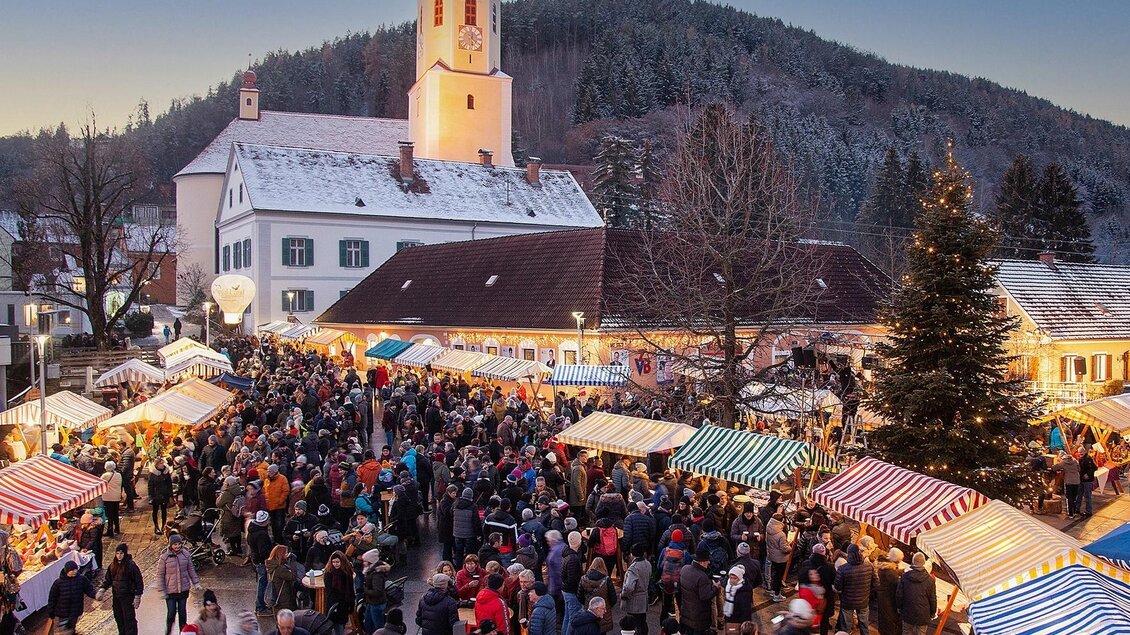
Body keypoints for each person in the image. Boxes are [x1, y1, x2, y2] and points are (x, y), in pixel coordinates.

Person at [158, 534, 202, 635]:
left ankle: (183, 632)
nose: (177, 546)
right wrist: (162, 590)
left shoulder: (186, 554)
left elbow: (191, 569)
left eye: (179, 544)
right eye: (175, 544)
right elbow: (160, 574)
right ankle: (168, 632)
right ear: (170, 545)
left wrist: (196, 583)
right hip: (170, 590)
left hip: (183, 589)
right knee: (171, 614)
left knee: (182, 613)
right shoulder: (164, 557)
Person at [98, 543, 144, 635]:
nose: (119, 555)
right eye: (117, 553)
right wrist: (102, 589)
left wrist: (137, 597)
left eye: (121, 553)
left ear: (125, 554)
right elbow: (108, 580)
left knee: (129, 620)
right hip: (117, 597)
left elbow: (139, 582)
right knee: (119, 618)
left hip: (128, 597)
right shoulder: (112, 566)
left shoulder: (131, 566)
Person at [834, 544, 877, 635]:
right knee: (864, 625)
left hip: (847, 602)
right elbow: (876, 583)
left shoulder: (843, 569)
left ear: (848, 554)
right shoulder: (869, 566)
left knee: (846, 627)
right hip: (863, 601)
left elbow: (838, 587)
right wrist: (867, 591)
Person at [47, 560, 96, 634]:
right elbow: (52, 598)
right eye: (72, 570)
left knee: (71, 628)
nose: (74, 571)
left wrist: (95, 595)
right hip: (62, 612)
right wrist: (51, 611)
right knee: (65, 630)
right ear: (67, 571)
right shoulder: (58, 583)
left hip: (75, 610)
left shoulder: (82, 579)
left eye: (75, 569)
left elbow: (89, 589)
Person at [678, 548, 718, 635]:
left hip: (686, 614)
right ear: (702, 562)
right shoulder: (702, 577)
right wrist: (716, 588)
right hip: (699, 619)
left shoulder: (684, 569)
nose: (709, 563)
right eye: (707, 560)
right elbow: (705, 596)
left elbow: (679, 588)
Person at [896, 553, 937, 635]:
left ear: (913, 562)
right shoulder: (930, 580)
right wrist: (933, 612)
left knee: (906, 631)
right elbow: (932, 598)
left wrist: (899, 607)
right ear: (923, 563)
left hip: (907, 610)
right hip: (923, 613)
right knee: (921, 633)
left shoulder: (904, 577)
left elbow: (899, 594)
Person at [247, 510, 274, 616]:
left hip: (256, 560)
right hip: (261, 562)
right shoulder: (261, 534)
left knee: (261, 583)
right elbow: (263, 551)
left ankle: (260, 606)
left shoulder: (252, 530)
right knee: (262, 584)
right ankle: (260, 608)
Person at [620, 544, 652, 635]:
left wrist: (624, 595)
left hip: (634, 601)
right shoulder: (647, 564)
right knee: (642, 622)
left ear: (632, 554)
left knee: (633, 624)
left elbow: (629, 587)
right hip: (644, 599)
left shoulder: (633, 568)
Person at [578, 559, 616, 634]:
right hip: (603, 612)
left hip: (589, 609)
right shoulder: (606, 580)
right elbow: (613, 598)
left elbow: (579, 596)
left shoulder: (583, 579)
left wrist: (586, 603)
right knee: (602, 631)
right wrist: (607, 606)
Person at [324, 550, 356, 635]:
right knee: (338, 629)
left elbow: (350, 590)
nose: (335, 564)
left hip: (345, 604)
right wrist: (335, 607)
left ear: (342, 561)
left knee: (342, 626)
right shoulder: (328, 574)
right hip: (335, 606)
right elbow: (329, 592)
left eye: (337, 562)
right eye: (333, 562)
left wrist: (351, 604)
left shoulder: (347, 572)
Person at [362, 549, 393, 633]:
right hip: (372, 602)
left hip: (376, 603)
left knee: (378, 627)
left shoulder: (377, 574)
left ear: (370, 561)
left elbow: (377, 591)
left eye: (365, 561)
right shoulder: (373, 571)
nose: (363, 563)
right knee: (369, 624)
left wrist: (366, 590)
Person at [875, 549, 903, 635]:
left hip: (883, 597)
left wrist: (903, 571)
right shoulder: (889, 572)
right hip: (888, 599)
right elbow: (898, 582)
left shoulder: (885, 565)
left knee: (884, 618)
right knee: (889, 620)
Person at [265, 544, 300, 611]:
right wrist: (293, 562)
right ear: (281, 555)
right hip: (284, 599)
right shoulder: (280, 569)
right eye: (286, 553)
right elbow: (293, 576)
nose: (287, 554)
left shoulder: (272, 566)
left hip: (277, 597)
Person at [765, 513, 791, 602]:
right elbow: (784, 548)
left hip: (772, 555)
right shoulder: (781, 534)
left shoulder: (768, 529)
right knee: (779, 576)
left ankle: (773, 590)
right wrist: (790, 547)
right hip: (781, 558)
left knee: (775, 574)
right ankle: (777, 594)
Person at [1051, 450, 1081, 517]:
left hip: (1069, 481)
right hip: (1076, 481)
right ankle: (1075, 510)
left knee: (1069, 497)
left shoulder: (1064, 462)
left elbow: (1054, 468)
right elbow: (1079, 469)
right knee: (1074, 497)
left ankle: (1070, 513)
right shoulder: (1075, 461)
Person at [150, 458, 174, 534]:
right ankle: (156, 526)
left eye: (163, 463)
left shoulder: (166, 472)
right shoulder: (152, 474)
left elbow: (169, 484)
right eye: (160, 463)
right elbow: (150, 486)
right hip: (156, 495)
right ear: (156, 465)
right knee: (155, 511)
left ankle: (163, 525)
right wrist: (151, 497)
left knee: (164, 510)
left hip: (164, 494)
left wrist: (171, 496)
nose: (162, 464)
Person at [102, 460, 124, 538]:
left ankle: (110, 530)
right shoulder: (118, 475)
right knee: (115, 513)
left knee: (109, 514)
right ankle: (117, 528)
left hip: (107, 497)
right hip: (116, 497)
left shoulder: (105, 475)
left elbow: (101, 484)